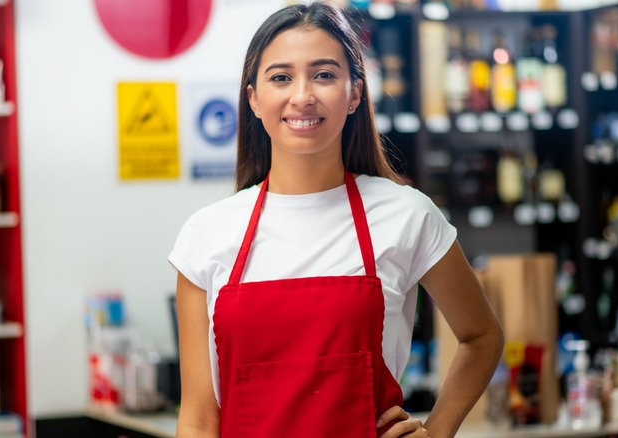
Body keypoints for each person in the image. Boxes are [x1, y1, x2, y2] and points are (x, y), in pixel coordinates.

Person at [168, 2, 504, 437]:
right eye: (281, 77)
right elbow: (197, 419)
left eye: (324, 74)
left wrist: (438, 432)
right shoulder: (207, 234)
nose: (303, 94)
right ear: (253, 98)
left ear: (355, 93)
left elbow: (482, 337)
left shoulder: (406, 215)